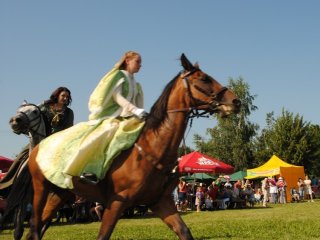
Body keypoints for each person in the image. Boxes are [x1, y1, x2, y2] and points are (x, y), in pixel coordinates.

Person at [36, 51, 147, 188]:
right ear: (127, 61)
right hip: (113, 117)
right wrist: (134, 109)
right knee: (108, 131)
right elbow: (117, 97)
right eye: (138, 62)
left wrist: (141, 113)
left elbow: (138, 103)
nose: (140, 65)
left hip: (129, 118)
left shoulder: (137, 85)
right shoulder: (118, 76)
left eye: (140, 63)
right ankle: (90, 170)